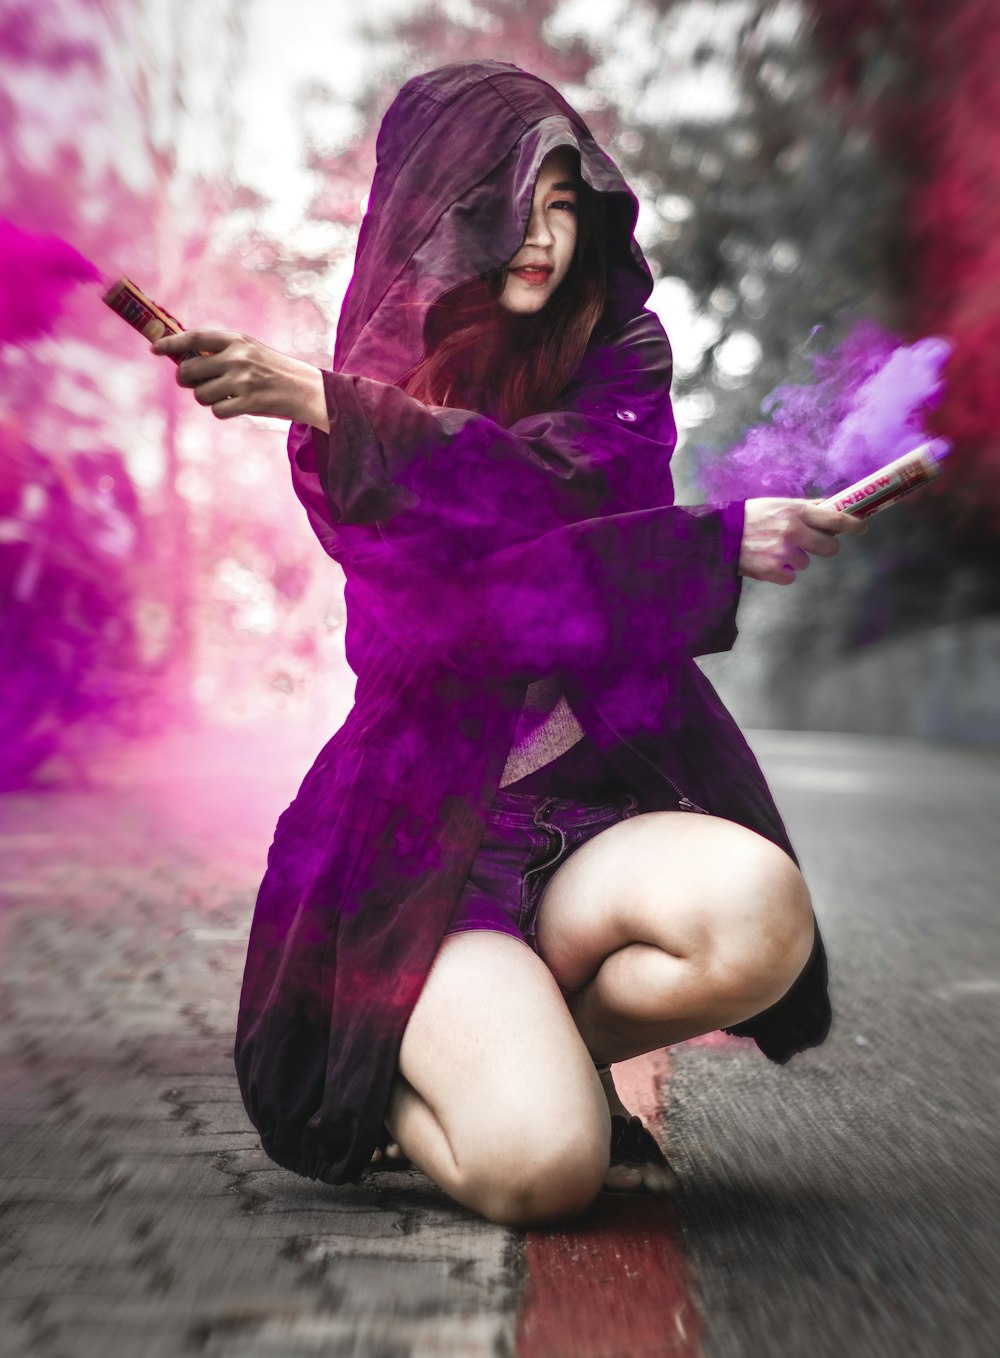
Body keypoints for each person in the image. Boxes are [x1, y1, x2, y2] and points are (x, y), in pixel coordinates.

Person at [151, 60, 865, 1225]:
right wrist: (702, 546)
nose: (543, 232)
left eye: (567, 199)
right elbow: (465, 612)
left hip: (593, 829)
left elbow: (568, 508)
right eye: (515, 197)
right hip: (425, 859)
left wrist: (692, 541)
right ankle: (387, 1074)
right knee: (544, 1172)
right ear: (443, 207)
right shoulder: (346, 412)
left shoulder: (618, 357)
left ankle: (529, 1042)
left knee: (758, 915)